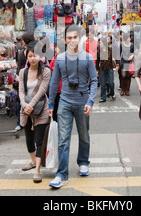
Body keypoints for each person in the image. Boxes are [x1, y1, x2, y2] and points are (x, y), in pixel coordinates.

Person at [47, 25, 98, 189]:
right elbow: (54, 82)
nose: (72, 40)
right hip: (65, 103)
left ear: (79, 38)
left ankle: (83, 162)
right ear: (65, 40)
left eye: (75, 37)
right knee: (63, 140)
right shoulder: (60, 59)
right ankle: (61, 174)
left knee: (84, 136)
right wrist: (50, 104)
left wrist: (90, 101)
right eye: (69, 38)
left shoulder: (88, 58)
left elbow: (94, 81)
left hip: (83, 103)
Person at [18, 40, 51, 183]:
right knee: (28, 139)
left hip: (41, 108)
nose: (33, 58)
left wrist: (30, 104)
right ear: (27, 56)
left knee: (39, 140)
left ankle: (37, 170)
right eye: (30, 56)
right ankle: (33, 161)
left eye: (36, 55)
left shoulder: (46, 71)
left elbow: (42, 91)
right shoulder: (22, 72)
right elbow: (20, 91)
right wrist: (24, 105)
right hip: (26, 109)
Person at [14, 32, 35, 131]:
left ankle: (32, 123)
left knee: (31, 100)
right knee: (21, 101)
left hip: (31, 78)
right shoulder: (21, 52)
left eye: (22, 39)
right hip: (21, 77)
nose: (21, 41)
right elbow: (19, 65)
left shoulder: (34, 51)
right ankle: (21, 122)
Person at [97, 33, 116, 102]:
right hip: (102, 69)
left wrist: (116, 66)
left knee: (111, 83)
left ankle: (112, 93)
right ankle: (103, 97)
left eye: (101, 43)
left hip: (110, 68)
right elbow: (97, 61)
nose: (100, 44)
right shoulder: (99, 51)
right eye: (99, 43)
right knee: (103, 84)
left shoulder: (110, 50)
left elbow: (113, 59)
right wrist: (97, 70)